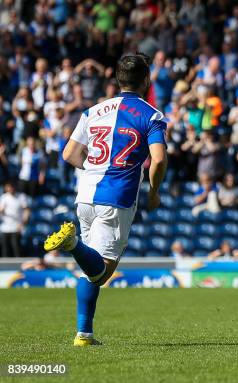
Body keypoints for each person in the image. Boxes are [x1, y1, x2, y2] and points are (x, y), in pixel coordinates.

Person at [43, 54, 168, 346]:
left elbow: (69, 155)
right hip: (117, 195)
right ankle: (71, 243)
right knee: (102, 272)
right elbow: (159, 160)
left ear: (117, 80)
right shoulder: (151, 115)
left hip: (85, 195)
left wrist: (95, 169)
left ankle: (84, 334)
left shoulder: (92, 111)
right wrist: (154, 190)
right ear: (146, 80)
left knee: (92, 267)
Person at [0, 180, 30, 257]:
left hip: (17, 226)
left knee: (16, 247)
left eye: (11, 187)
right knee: (5, 248)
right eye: (8, 187)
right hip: (5, 227)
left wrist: (23, 223)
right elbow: (1, 210)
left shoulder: (21, 197)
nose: (10, 189)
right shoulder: (4, 197)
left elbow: (26, 210)